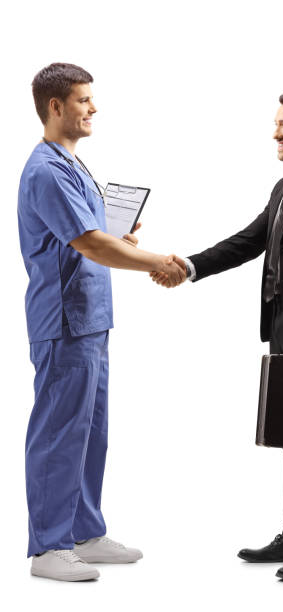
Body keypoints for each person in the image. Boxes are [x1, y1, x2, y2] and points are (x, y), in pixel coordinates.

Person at [151, 90, 283, 581]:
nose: (276, 133)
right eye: (276, 124)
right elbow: (250, 240)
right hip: (282, 323)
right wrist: (189, 266)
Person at [18, 63, 185, 582]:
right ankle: (48, 547)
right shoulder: (46, 169)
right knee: (59, 430)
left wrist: (123, 242)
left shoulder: (74, 164)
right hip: (63, 320)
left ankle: (84, 533)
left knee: (91, 431)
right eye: (84, 100)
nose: (93, 108)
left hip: (91, 318)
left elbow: (95, 235)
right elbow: (89, 243)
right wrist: (158, 260)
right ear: (56, 107)